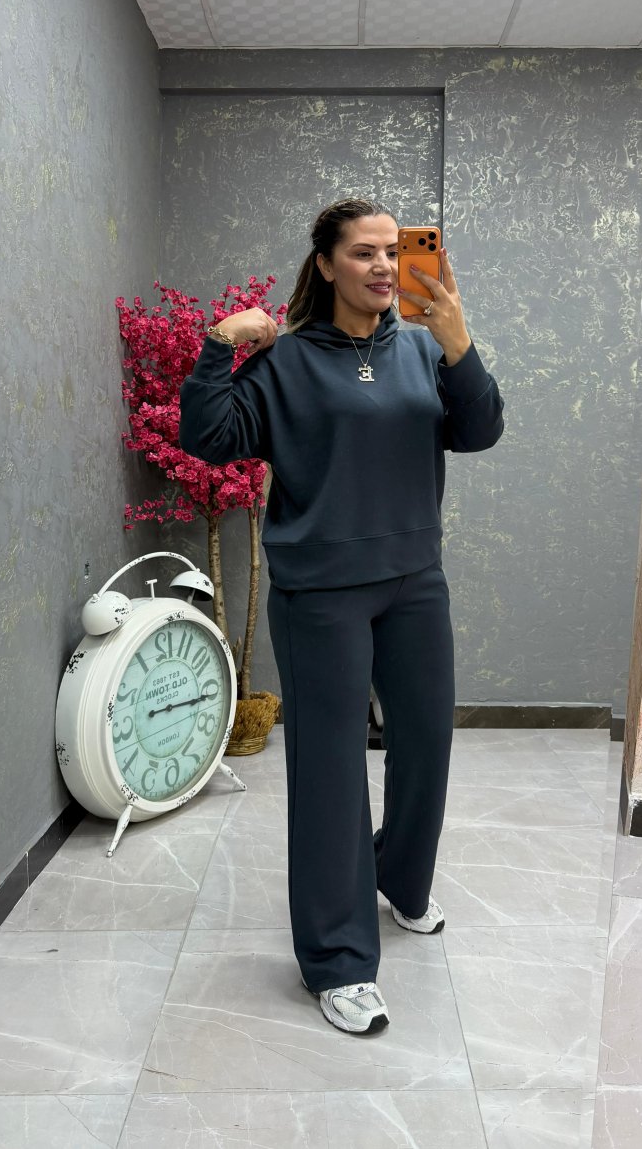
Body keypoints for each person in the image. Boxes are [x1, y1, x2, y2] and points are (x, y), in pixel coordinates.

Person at [179, 197, 504, 1036]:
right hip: (320, 595)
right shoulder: (286, 362)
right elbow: (209, 437)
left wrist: (459, 339)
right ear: (325, 264)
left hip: (414, 581)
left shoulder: (425, 348)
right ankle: (338, 958)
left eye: (394, 250)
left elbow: (480, 430)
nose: (385, 265)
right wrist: (219, 345)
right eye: (364, 252)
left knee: (426, 743)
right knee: (330, 771)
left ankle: (399, 880)